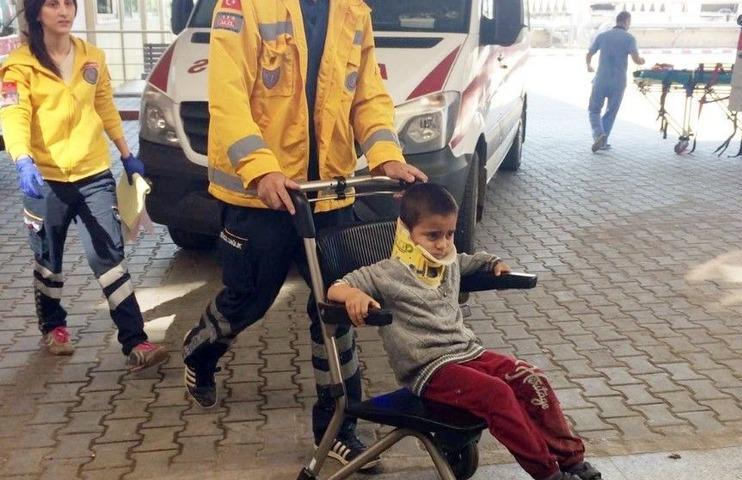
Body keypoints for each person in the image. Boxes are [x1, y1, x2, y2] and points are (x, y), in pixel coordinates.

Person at [180, 0, 427, 470]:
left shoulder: (353, 11)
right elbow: (228, 96)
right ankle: (200, 351)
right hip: (261, 198)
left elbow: (368, 96)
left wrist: (385, 155)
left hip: (328, 196)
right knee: (248, 299)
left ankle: (338, 427)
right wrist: (261, 168)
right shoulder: (244, 6)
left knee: (336, 309)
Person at [328, 183, 602, 480]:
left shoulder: (448, 263)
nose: (443, 244)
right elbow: (337, 287)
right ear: (406, 232)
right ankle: (547, 473)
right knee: (497, 393)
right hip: (429, 369)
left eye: (449, 234)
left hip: (469, 352)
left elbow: (473, 261)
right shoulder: (385, 273)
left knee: (530, 377)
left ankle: (572, 460)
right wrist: (353, 295)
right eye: (433, 235)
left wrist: (494, 263)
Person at [0, 0, 168, 370]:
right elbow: (13, 114)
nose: (63, 11)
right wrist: (22, 159)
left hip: (93, 175)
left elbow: (105, 106)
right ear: (37, 12)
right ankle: (53, 326)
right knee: (48, 260)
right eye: (52, 4)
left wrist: (126, 153)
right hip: (45, 179)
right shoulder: (18, 65)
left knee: (108, 257)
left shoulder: (92, 58)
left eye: (69, 3)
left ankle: (135, 340)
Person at [586, 11, 645, 153]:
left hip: (601, 80)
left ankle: (599, 134)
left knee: (594, 110)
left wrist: (589, 65)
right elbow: (636, 59)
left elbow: (589, 53)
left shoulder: (602, 36)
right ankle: (603, 141)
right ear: (626, 21)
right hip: (618, 82)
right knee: (611, 112)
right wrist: (642, 61)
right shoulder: (629, 38)